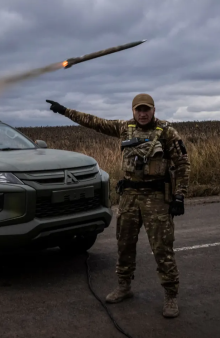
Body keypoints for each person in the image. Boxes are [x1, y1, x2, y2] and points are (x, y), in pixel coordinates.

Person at [45, 94, 190, 318]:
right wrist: (64, 111)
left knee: (162, 248)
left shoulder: (167, 132)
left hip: (157, 197)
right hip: (129, 195)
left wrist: (179, 196)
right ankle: (124, 286)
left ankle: (171, 296)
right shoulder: (125, 128)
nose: (142, 114)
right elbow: (93, 122)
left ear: (153, 110)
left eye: (146, 110)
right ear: (133, 111)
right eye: (138, 110)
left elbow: (182, 163)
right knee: (124, 244)